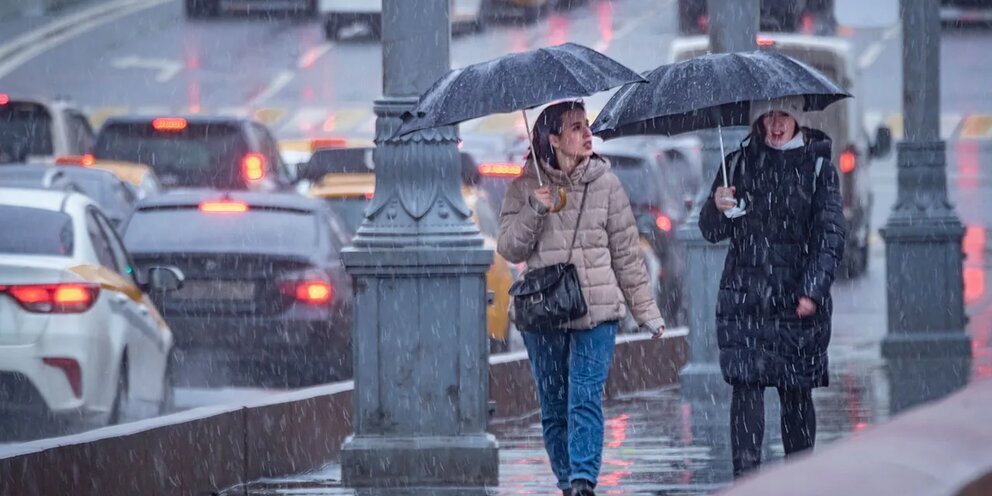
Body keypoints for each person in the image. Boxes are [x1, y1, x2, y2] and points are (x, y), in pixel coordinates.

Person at [497, 100, 666, 496]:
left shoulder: (606, 183)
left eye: (586, 125)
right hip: (545, 312)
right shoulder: (525, 185)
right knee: (555, 407)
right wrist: (536, 208)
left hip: (597, 310)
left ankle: (582, 482)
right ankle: (565, 482)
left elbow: (626, 254)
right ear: (553, 139)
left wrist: (648, 314)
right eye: (575, 128)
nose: (587, 134)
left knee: (585, 398)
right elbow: (510, 248)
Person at [698, 96, 846, 477]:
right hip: (746, 302)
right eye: (769, 116)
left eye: (785, 116)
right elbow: (712, 231)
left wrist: (812, 290)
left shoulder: (817, 168)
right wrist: (717, 206)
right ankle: (746, 482)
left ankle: (798, 481)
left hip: (795, 304)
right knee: (746, 394)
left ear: (798, 121)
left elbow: (829, 236)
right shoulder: (737, 164)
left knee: (796, 397)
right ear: (758, 121)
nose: (777, 124)